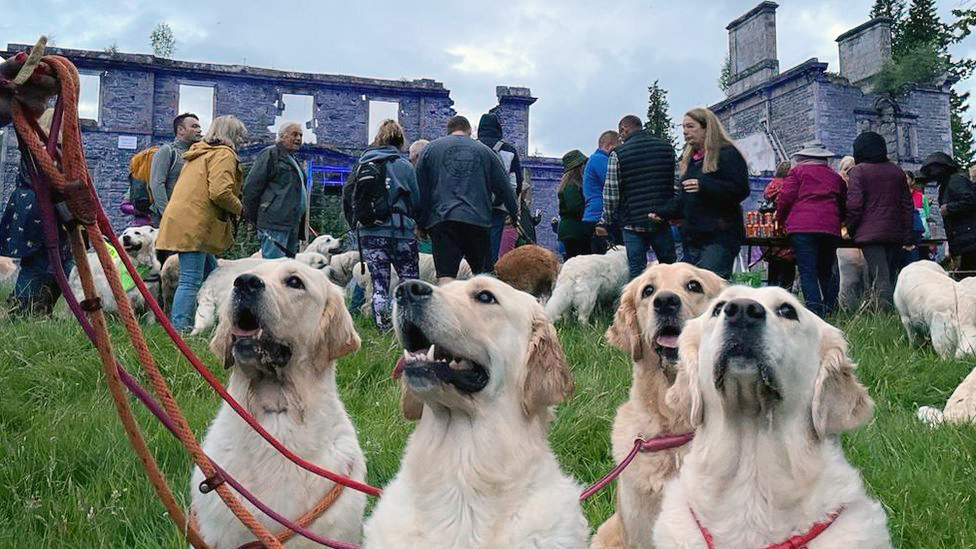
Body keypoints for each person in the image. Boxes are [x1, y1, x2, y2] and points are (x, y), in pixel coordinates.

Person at [156, 115, 247, 333]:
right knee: (190, 281)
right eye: (240, 135)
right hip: (196, 224)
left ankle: (213, 322)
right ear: (231, 134)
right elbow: (220, 192)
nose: (242, 141)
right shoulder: (224, 154)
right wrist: (241, 209)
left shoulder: (199, 153)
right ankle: (180, 330)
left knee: (213, 276)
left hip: (184, 219)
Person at [415, 115, 518, 282]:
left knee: (446, 276)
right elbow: (505, 188)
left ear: (448, 131)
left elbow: (420, 189)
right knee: (483, 277)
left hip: (443, 221)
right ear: (469, 130)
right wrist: (514, 215)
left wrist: (421, 223)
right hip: (477, 221)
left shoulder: (430, 149)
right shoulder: (486, 152)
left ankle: (447, 298)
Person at [655, 108, 750, 279]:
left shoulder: (728, 154)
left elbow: (740, 190)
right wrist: (662, 212)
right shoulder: (691, 161)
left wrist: (705, 186)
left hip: (719, 237)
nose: (685, 132)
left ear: (707, 128)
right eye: (684, 127)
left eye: (691, 126)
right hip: (693, 237)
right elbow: (685, 199)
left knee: (710, 286)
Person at [0, 110, 73, 315]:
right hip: (43, 208)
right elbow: (51, 184)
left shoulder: (35, 147)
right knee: (42, 262)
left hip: (33, 208)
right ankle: (23, 309)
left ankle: (33, 308)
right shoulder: (50, 150)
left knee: (54, 261)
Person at [354, 119, 423, 331]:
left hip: (370, 232)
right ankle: (403, 326)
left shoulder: (364, 164)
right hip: (401, 232)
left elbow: (351, 196)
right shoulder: (404, 166)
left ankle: (382, 328)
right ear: (400, 141)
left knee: (379, 283)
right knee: (408, 282)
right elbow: (417, 201)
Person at [596, 115, 677, 280]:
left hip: (632, 223)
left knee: (637, 273)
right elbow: (676, 185)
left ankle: (639, 297)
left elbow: (611, 193)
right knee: (669, 269)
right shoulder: (666, 148)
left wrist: (606, 220)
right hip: (661, 220)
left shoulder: (618, 154)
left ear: (624, 129)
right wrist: (671, 212)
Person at [775, 143, 846, 317]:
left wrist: (781, 220)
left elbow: (785, 198)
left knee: (808, 272)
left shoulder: (797, 173)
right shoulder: (835, 177)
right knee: (827, 271)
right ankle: (831, 309)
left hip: (802, 228)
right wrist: (840, 221)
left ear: (803, 157)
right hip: (829, 228)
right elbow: (843, 202)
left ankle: (814, 312)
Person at [845, 131, 914, 307]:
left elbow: (854, 205)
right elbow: (907, 205)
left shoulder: (859, 171)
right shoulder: (896, 171)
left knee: (880, 276)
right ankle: (880, 310)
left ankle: (885, 313)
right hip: (895, 232)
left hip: (869, 233)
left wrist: (851, 228)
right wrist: (907, 235)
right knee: (888, 274)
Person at [243, 122, 308, 259]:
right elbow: (252, 187)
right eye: (294, 134)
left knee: (288, 267)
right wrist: (251, 218)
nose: (298, 138)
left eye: (300, 135)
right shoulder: (270, 154)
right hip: (274, 222)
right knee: (273, 266)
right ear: (282, 136)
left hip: (291, 224)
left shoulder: (293, 160)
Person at [476, 113, 523, 268]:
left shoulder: (471, 147)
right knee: (492, 249)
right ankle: (488, 274)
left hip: (472, 206)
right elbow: (515, 183)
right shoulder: (509, 150)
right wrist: (512, 209)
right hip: (497, 206)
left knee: (472, 247)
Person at [919, 152, 976, 276]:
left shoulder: (955, 181)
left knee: (968, 277)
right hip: (963, 241)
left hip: (969, 241)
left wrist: (949, 208)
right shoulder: (947, 184)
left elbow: (971, 199)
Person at [148, 112, 202, 227]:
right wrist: (167, 214)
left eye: (199, 127)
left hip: (191, 215)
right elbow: (157, 184)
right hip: (167, 217)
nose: (199, 130)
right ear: (181, 130)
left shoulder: (198, 153)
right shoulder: (167, 151)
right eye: (194, 126)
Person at [582, 130, 620, 253]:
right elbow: (613, 181)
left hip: (593, 215)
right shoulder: (600, 160)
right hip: (599, 217)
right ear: (609, 146)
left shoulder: (594, 159)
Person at [762, 161, 796, 289]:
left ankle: (770, 292)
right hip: (786, 229)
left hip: (770, 230)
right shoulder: (789, 187)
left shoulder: (771, 186)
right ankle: (786, 293)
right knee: (787, 267)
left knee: (774, 266)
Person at [556, 150, 590, 260]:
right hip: (574, 234)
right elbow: (574, 207)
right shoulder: (572, 186)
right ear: (578, 167)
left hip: (569, 233)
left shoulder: (568, 185)